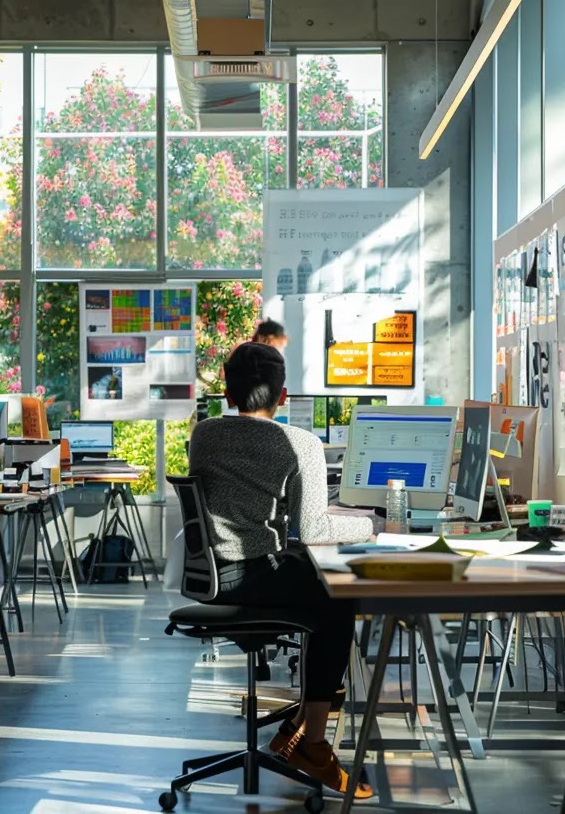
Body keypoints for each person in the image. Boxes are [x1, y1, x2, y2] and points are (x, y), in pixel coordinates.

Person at [188, 342, 373, 799]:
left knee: (317, 586)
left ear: (227, 395)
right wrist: (371, 523)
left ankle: (298, 722)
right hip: (255, 575)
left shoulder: (204, 434)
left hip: (214, 577)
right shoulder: (301, 443)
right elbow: (311, 527)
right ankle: (311, 742)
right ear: (284, 396)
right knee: (339, 595)